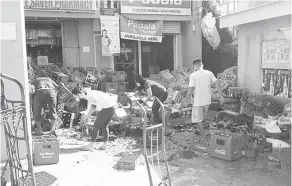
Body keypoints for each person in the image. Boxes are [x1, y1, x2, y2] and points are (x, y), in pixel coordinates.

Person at [72, 87, 118, 151]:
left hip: (108, 108)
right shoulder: (88, 93)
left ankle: (91, 145)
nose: (76, 98)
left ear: (80, 94)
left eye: (76, 96)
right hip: (112, 106)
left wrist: (86, 117)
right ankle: (105, 145)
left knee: (96, 126)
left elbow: (93, 107)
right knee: (104, 126)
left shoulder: (89, 96)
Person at [182, 59, 218, 140]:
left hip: (198, 101)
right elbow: (216, 83)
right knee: (205, 116)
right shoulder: (209, 73)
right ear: (202, 65)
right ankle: (208, 131)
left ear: (194, 66)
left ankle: (204, 135)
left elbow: (191, 88)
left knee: (198, 119)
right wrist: (221, 93)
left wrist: (186, 99)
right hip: (208, 99)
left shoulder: (193, 75)